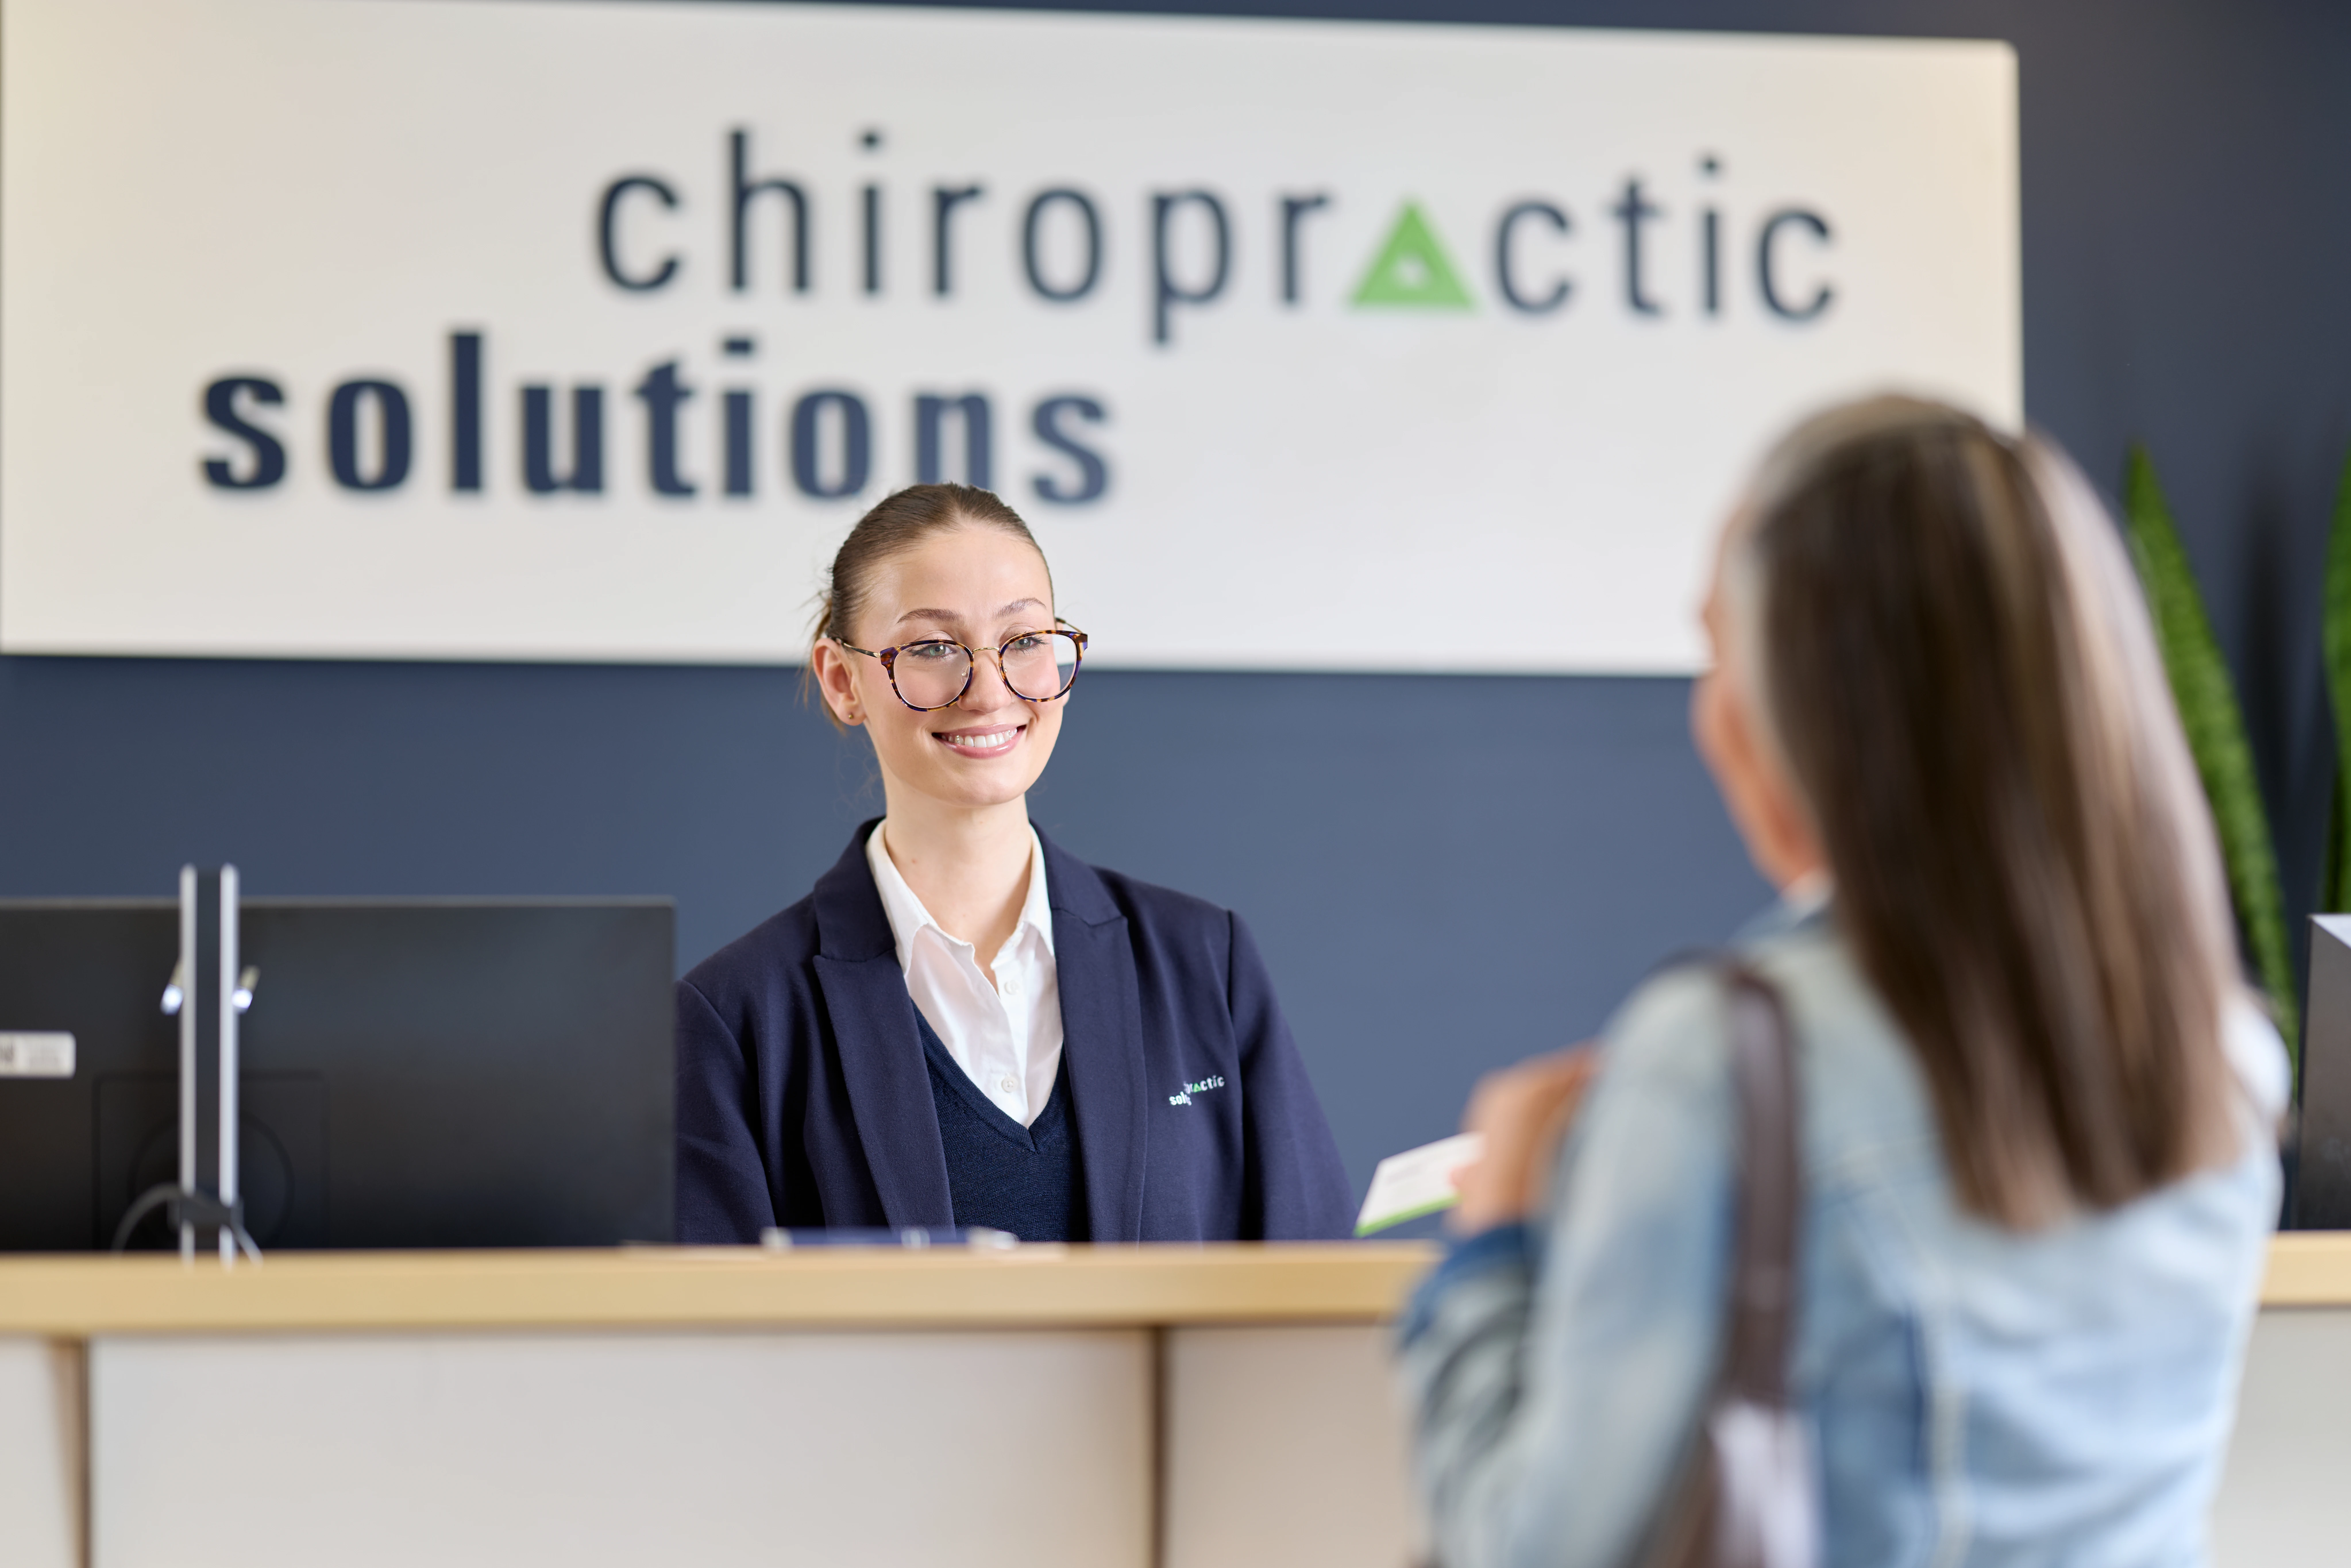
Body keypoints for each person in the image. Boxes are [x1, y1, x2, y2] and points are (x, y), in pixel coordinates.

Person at [1402, 398, 2288, 1566]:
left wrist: (1497, 1241)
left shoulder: (1719, 1055)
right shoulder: (2226, 1052)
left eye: (1723, 653)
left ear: (1817, 707)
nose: (1709, 711)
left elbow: (1531, 1549)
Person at [674, 483, 1354, 1243]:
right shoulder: (736, 1020)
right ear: (843, 681)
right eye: (932, 648)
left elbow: (1308, 1277)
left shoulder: (1204, 964)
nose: (990, 690)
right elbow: (715, 1346)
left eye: (1025, 642)